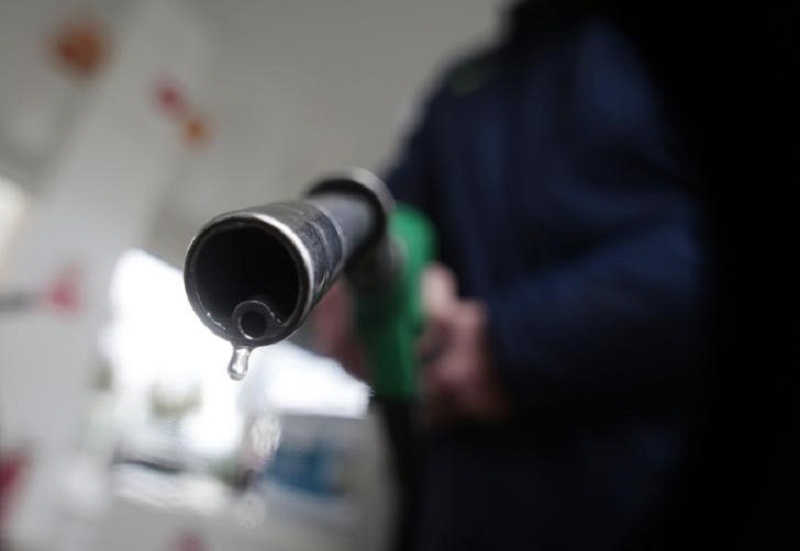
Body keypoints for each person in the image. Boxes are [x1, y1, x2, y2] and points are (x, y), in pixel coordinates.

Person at [313, 0, 792, 549]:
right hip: (456, 504)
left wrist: (508, 346)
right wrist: (358, 286)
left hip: (618, 490)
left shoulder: (630, 66)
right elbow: (393, 214)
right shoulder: (464, 89)